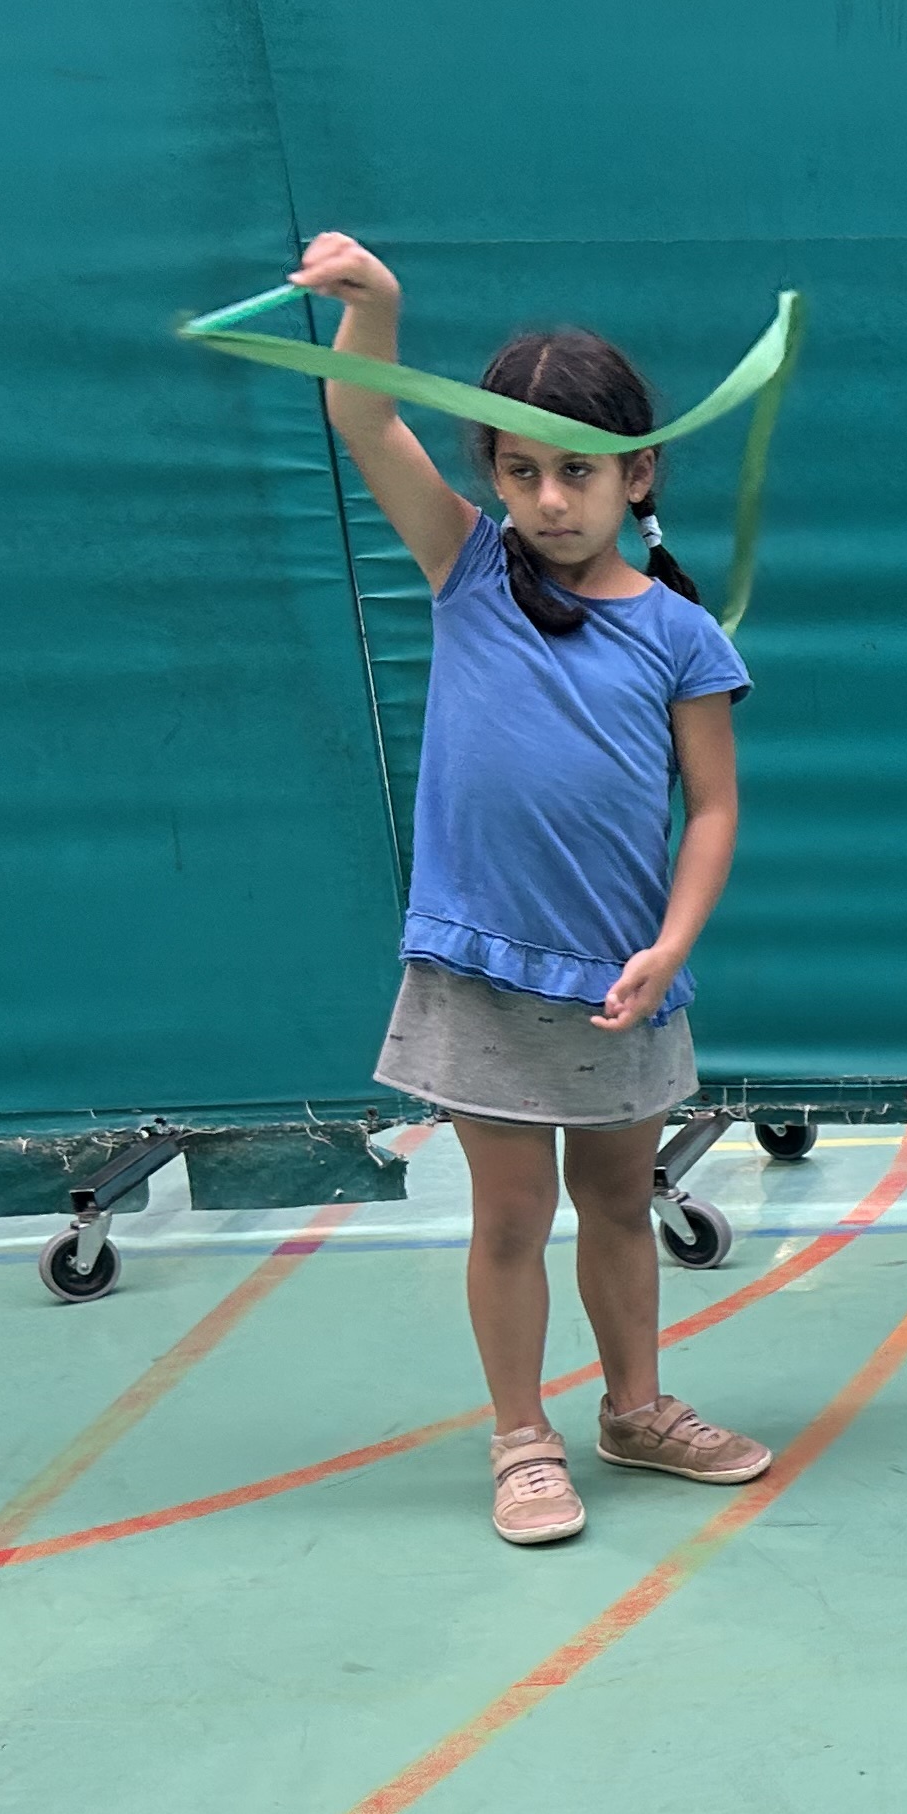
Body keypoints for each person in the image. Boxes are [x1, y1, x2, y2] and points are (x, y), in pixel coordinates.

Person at [289, 233, 776, 1546]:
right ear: (491, 475)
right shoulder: (469, 572)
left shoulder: (681, 633)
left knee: (618, 1202)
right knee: (509, 1216)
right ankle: (521, 1441)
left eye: (578, 470)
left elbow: (714, 810)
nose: (550, 499)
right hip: (484, 969)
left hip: (620, 979)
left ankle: (637, 1410)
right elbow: (364, 416)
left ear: (637, 472)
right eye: (521, 471)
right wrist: (377, 308)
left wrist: (670, 946)